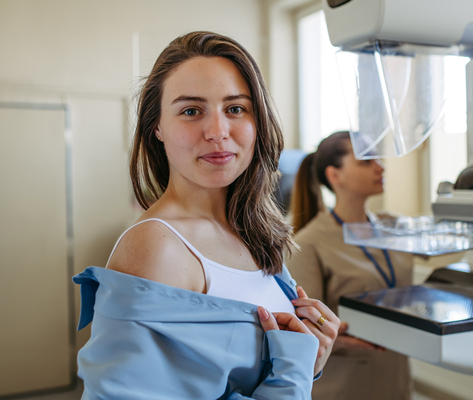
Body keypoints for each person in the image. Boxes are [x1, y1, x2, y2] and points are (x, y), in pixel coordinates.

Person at [73, 31, 340, 399]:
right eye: (191, 111)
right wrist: (292, 375)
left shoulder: (254, 230)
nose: (217, 132)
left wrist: (311, 360)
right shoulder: (156, 247)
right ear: (157, 127)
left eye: (235, 109)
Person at [287, 131, 414, 400]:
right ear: (335, 175)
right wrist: (335, 336)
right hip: (346, 385)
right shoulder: (309, 243)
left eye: (377, 159)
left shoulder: (394, 227)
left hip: (396, 376)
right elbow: (303, 328)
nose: (380, 167)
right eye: (366, 161)